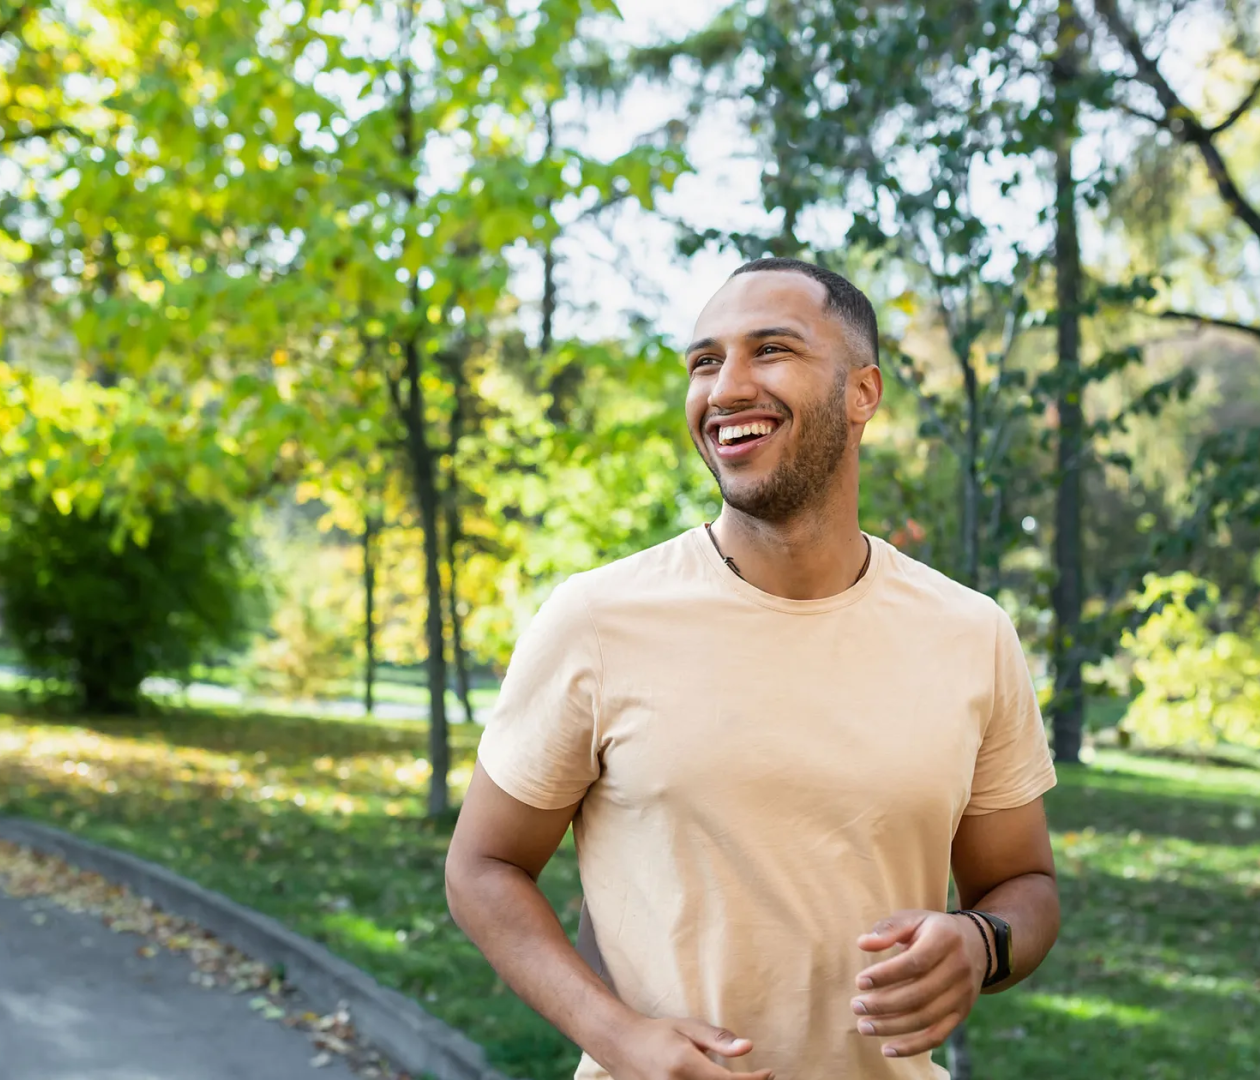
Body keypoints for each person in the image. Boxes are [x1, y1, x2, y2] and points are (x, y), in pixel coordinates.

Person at [443, 258, 1060, 1080]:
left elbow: (1024, 882)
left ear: (862, 393)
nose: (726, 388)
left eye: (770, 350)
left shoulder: (972, 633)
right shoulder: (596, 620)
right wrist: (618, 1039)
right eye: (705, 362)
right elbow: (481, 868)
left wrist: (983, 944)